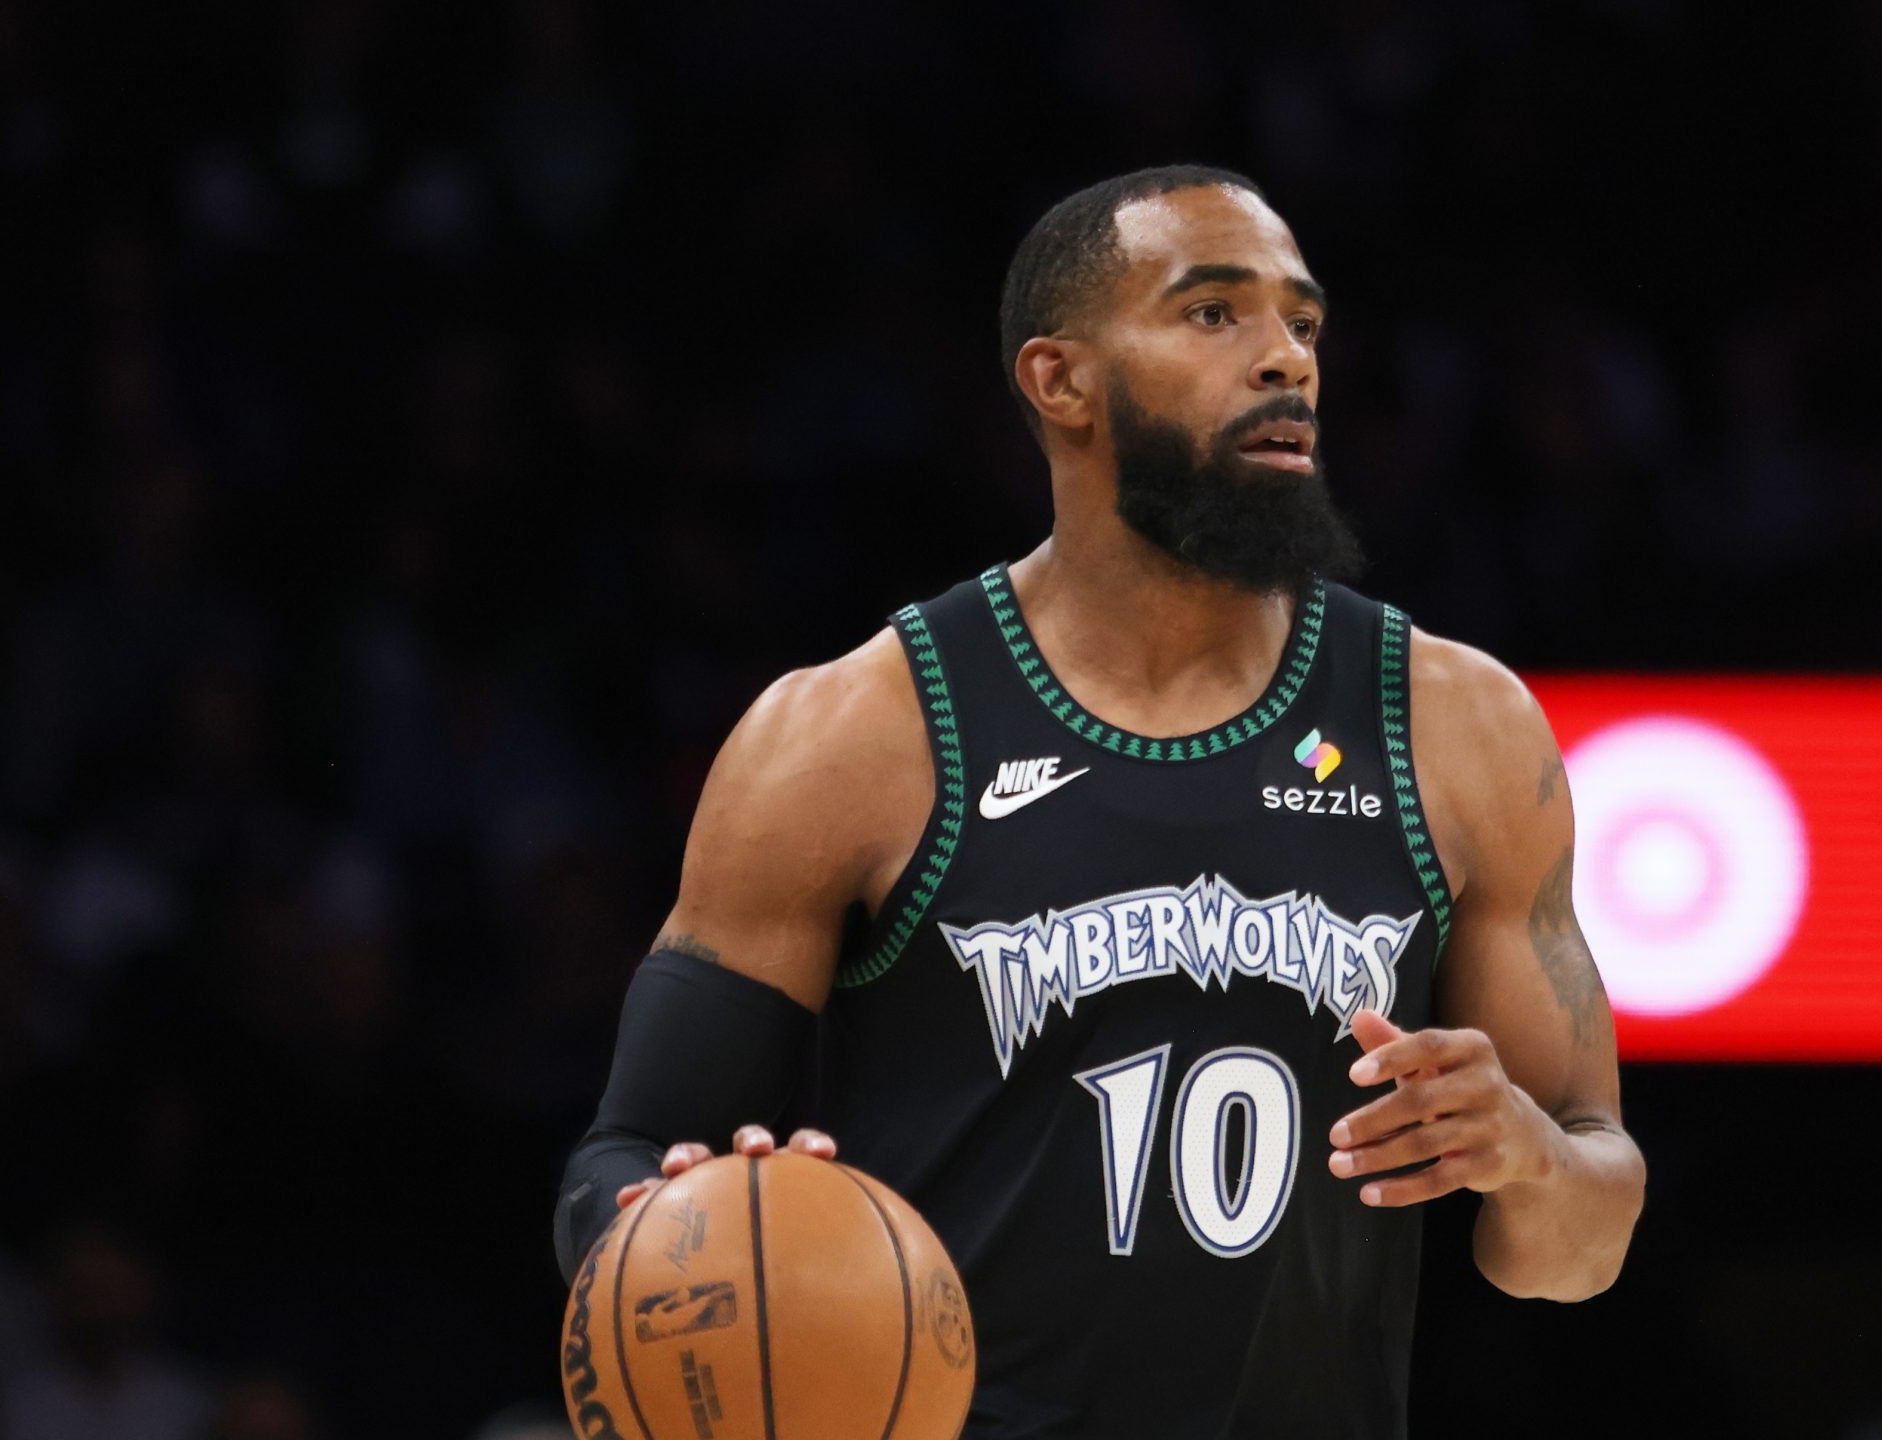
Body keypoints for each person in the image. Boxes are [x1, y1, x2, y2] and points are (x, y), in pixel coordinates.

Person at [553, 164, 1645, 1438]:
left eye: (1302, 321)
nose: (1285, 358)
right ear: (1058, 380)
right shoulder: (858, 732)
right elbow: (622, 1154)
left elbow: (1576, 1253)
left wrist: (1524, 1152)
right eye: (1212, 312)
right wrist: (680, 1226)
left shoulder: (1456, 727)